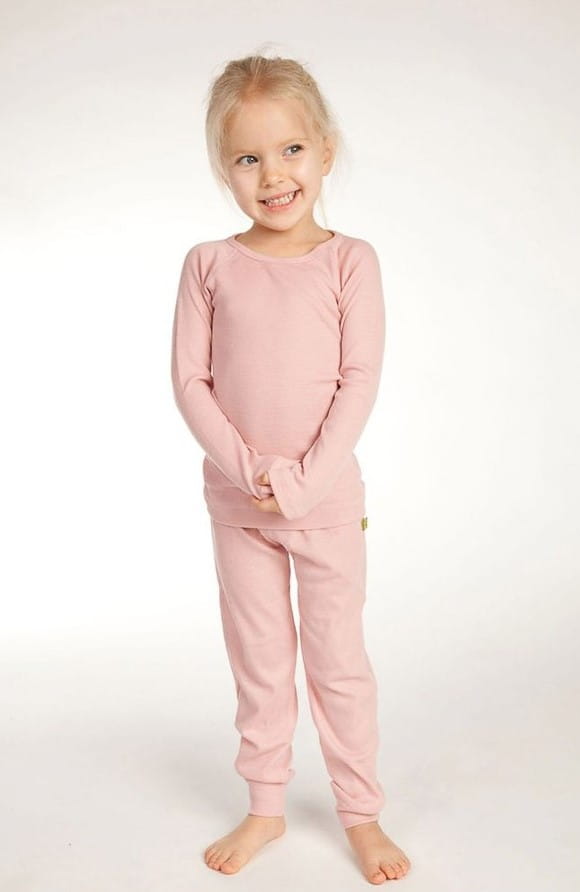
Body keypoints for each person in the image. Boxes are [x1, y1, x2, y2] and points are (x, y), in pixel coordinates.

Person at [170, 51, 411, 884]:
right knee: (260, 660)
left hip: (327, 504)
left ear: (325, 149)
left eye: (291, 150)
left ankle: (361, 813)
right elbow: (190, 382)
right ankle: (265, 805)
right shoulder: (208, 264)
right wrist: (249, 473)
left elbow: (359, 379)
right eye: (248, 158)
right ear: (224, 169)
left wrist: (303, 480)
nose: (273, 175)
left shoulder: (352, 261)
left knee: (338, 662)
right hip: (240, 509)